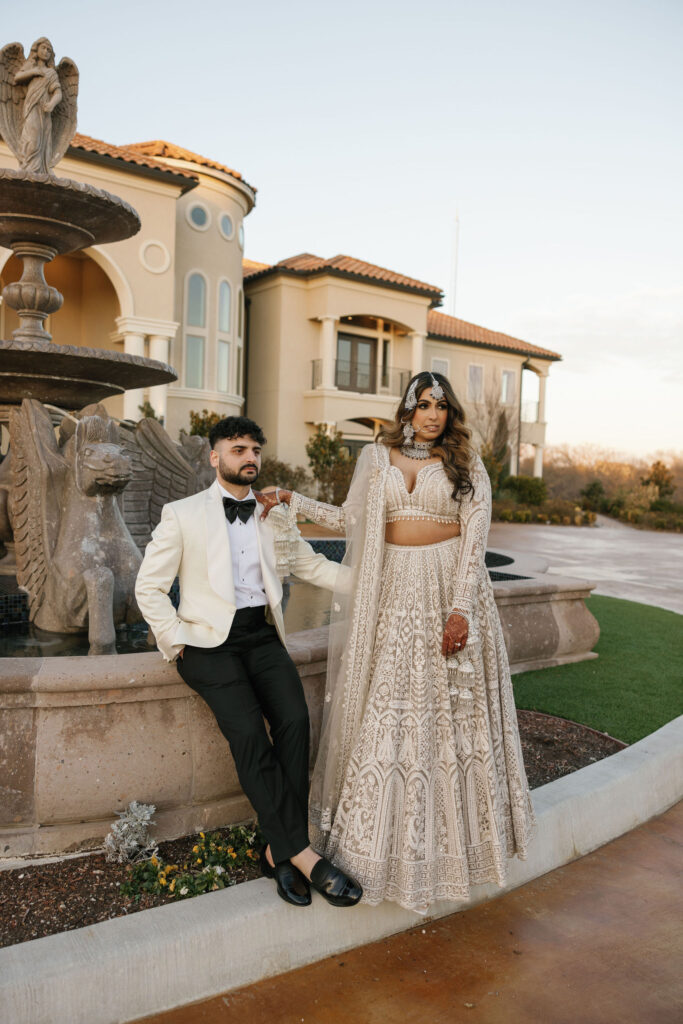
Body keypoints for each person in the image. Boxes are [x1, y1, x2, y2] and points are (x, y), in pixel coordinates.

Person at [261, 372, 535, 914]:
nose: (434, 415)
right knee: (390, 712)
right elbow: (353, 520)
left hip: (451, 591)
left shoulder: (466, 463)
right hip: (395, 594)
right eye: (424, 405)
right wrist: (293, 498)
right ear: (407, 410)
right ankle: (374, 849)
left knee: (449, 717)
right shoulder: (376, 457)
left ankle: (455, 851)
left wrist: (459, 609)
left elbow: (476, 531)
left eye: (441, 406)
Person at [135, 416, 362, 909]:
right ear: (215, 457)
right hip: (207, 644)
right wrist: (176, 642)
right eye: (238, 449)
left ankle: (279, 852)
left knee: (297, 722)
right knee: (249, 737)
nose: (250, 457)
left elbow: (312, 566)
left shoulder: (272, 514)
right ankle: (306, 858)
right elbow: (147, 588)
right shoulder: (183, 513)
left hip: (261, 635)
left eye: (255, 449)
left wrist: (376, 583)